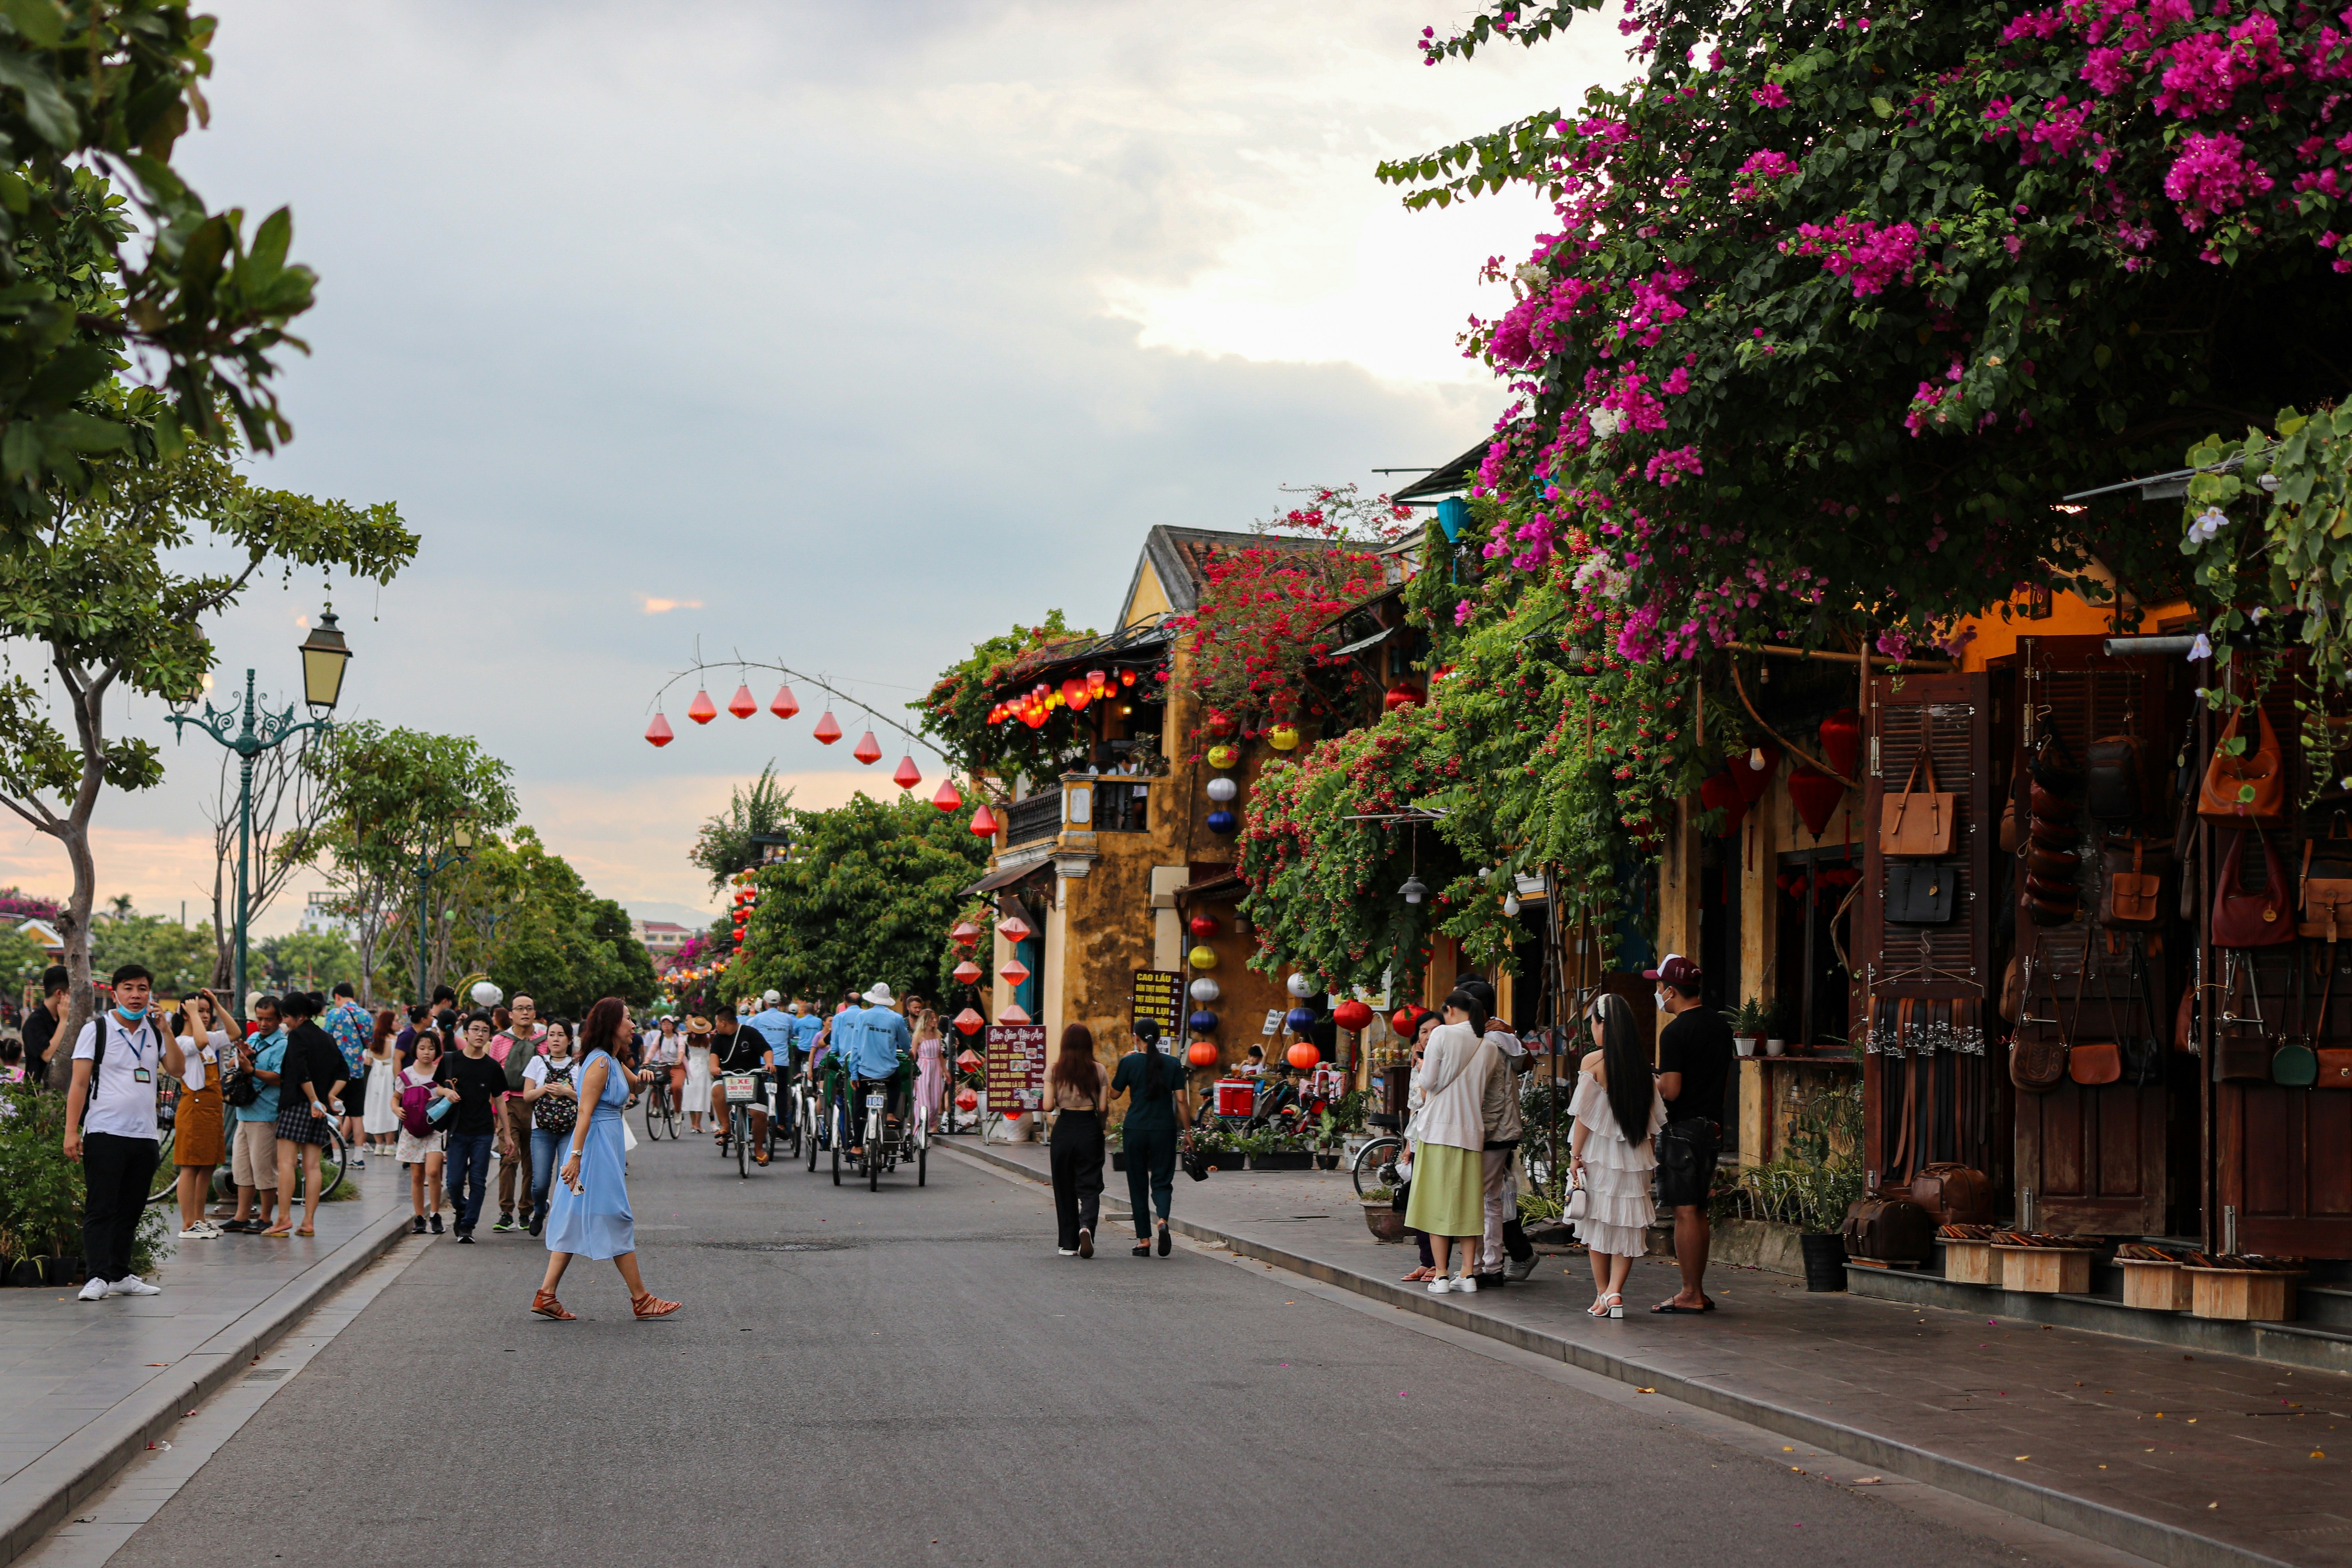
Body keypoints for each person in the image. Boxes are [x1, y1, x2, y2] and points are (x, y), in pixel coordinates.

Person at [534, 997, 680, 1321]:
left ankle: (547, 1295)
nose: (633, 1025)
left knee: (575, 1215)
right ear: (612, 1025)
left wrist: (642, 1082)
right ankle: (641, 1299)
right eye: (628, 1019)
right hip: (596, 1145)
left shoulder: (612, 1060)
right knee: (617, 1215)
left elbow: (633, 1091)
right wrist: (575, 1157)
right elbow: (585, 1110)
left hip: (605, 1142)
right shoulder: (600, 1062)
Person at [63, 963, 181, 1299]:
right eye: (128, 988)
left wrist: (167, 1031)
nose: (136, 995)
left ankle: (121, 1275)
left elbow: (176, 1069)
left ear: (150, 994)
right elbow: (80, 1083)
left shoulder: (154, 1031)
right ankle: (97, 1277)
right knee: (101, 1207)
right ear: (115, 993)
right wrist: (72, 1131)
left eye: (142, 988)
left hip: (144, 1135)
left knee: (131, 1208)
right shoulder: (97, 1030)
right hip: (105, 1131)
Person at [1571, 993, 1666, 1319]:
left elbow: (1582, 1117)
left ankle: (1602, 1293)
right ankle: (1614, 1293)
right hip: (1635, 1155)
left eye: (1593, 1024)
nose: (1592, 1031)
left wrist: (1574, 1156)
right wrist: (1649, 1163)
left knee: (1597, 1222)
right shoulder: (1644, 1067)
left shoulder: (1592, 1063)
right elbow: (1653, 1126)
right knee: (1627, 1224)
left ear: (1604, 1026)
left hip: (1599, 1152)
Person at [1647, 953, 1733, 1314]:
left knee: (1684, 1211)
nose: (1658, 993)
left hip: (1682, 1129)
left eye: (1659, 987)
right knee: (1698, 1210)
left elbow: (1672, 1090)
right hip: (1710, 1125)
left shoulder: (1676, 1032)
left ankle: (1690, 1293)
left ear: (1670, 990)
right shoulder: (1719, 1025)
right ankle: (1695, 1290)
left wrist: (1653, 1080)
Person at [1403, 987, 1499, 1295]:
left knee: (1436, 1204)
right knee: (1468, 1206)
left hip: (1438, 1129)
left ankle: (1441, 1275)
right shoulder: (1489, 1045)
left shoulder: (1443, 1035)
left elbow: (1428, 1083)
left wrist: (1421, 1067)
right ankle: (1468, 1274)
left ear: (1451, 1010)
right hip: (1472, 1131)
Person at [1458, 978, 1539, 1288]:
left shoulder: (1490, 1039)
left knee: (1479, 1197)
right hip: (1499, 1127)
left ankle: (1478, 1267)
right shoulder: (1498, 1035)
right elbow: (1526, 1062)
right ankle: (1489, 1265)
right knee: (1490, 1198)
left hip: (1490, 1128)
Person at [263, 992, 347, 1238]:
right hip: (319, 1110)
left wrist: (314, 1100)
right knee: (312, 1167)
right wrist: (330, 1096)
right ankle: (308, 1222)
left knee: (286, 1163)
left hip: (299, 1104)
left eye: (286, 1017)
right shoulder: (326, 1038)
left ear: (299, 1016)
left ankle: (283, 1219)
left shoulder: (297, 1035)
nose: (284, 1022)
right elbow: (344, 1071)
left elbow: (300, 1071)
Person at [1110, 1018, 1191, 1257]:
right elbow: (1182, 1101)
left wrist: (1124, 1063)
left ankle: (1144, 1240)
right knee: (1162, 1181)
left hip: (1135, 1129)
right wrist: (1188, 1133)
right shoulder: (1173, 1064)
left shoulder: (1129, 1062)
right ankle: (1163, 1220)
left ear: (1136, 1037)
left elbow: (1114, 1095)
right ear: (1158, 1039)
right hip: (1164, 1129)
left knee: (1137, 1184)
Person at [436, 1011, 512, 1242]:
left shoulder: (492, 1067)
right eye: (476, 1030)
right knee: (454, 1182)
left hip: (482, 1131)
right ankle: (462, 1208)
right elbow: (437, 1087)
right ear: (466, 1033)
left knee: (478, 1181)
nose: (480, 1034)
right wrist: (447, 1091)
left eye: (485, 1031)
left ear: (490, 1035)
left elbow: (499, 1099)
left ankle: (468, 1226)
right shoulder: (451, 1060)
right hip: (457, 1130)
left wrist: (506, 1133)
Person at [1042, 1023, 1109, 1258]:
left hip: (1065, 1129)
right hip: (1089, 1129)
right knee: (1090, 1184)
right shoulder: (1099, 1070)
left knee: (1064, 1186)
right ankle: (1086, 1227)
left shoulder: (1054, 1070)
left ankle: (1069, 1243)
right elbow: (1102, 1107)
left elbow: (1048, 1106)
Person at [168, 992, 232, 1241]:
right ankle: (187, 1224)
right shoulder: (183, 1041)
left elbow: (235, 1034)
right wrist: (193, 1014)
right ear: (186, 1014)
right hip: (194, 1108)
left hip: (211, 1109)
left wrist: (217, 1004)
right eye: (200, 1011)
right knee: (190, 1166)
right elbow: (201, 1042)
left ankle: (200, 1219)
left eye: (208, 1012)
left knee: (207, 1166)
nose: (206, 1016)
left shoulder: (208, 1040)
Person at [225, 997, 285, 1234]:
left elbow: (280, 1077)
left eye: (268, 1019)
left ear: (279, 1019)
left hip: (266, 1113)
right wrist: (243, 1056)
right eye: (259, 1019)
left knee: (264, 1169)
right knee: (242, 1168)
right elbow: (233, 1063)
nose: (263, 1024)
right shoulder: (252, 1039)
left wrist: (253, 1070)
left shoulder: (283, 1045)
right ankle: (241, 1216)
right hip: (244, 1112)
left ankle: (266, 1216)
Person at [490, 994, 548, 1234]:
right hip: (508, 1105)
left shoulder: (545, 1040)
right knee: (509, 1157)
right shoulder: (499, 1041)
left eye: (529, 1009)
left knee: (532, 1162)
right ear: (511, 1014)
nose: (525, 1013)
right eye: (520, 1009)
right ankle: (506, 1212)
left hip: (538, 1106)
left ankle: (526, 1211)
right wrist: (495, 1109)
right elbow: (492, 1075)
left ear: (535, 1013)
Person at [522, 1018, 579, 1236]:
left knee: (563, 1180)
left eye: (561, 1035)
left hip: (569, 1129)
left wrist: (567, 1093)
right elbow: (527, 1096)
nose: (556, 1039)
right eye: (552, 1035)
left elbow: (586, 1098)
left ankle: (558, 1222)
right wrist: (546, 1089)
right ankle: (539, 1210)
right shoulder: (537, 1062)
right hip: (541, 1130)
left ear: (569, 1040)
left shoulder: (578, 1065)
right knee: (540, 1182)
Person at [845, 982, 912, 1158]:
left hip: (865, 1071)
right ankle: (890, 1114)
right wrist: (910, 1053)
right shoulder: (896, 1018)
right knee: (895, 1084)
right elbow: (905, 1044)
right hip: (888, 1072)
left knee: (859, 1105)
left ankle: (857, 1146)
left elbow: (856, 1046)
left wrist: (854, 1073)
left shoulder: (862, 1017)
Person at [396, 1033, 449, 1234]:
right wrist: (396, 1109)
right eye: (423, 1048)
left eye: (431, 1048)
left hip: (435, 1129)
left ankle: (435, 1214)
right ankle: (419, 1217)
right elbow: (396, 1098)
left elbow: (444, 1092)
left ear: (437, 1051)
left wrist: (447, 1093)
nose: (427, 1052)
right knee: (417, 1176)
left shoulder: (440, 1074)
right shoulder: (407, 1075)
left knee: (434, 1171)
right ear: (415, 1050)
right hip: (412, 1131)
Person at [705, 1005, 772, 1162]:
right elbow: (714, 1056)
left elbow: (766, 1050)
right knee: (717, 1090)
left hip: (752, 1078)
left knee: (760, 1114)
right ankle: (726, 1127)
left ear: (723, 1023)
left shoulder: (750, 1033)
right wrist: (715, 1068)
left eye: (716, 1023)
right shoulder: (719, 1039)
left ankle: (759, 1149)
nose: (715, 1026)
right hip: (728, 1078)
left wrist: (769, 1064)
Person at [322, 982, 372, 1165]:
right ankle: (359, 1158)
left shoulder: (335, 1014)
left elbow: (325, 1039)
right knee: (357, 1116)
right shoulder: (366, 1015)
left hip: (337, 1073)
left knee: (337, 1114)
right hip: (358, 1071)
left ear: (337, 997)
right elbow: (368, 1041)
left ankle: (337, 1158)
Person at [361, 1009, 402, 1157]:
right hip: (389, 1074)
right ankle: (390, 1145)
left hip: (375, 1075)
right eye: (396, 1021)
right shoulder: (395, 1040)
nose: (399, 1024)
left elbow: (368, 1061)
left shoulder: (374, 1039)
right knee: (388, 1107)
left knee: (374, 1107)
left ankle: (379, 1145)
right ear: (389, 1023)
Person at [22, 964, 64, 1089]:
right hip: (39, 1097)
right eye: (70, 994)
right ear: (60, 994)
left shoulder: (63, 1018)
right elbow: (47, 1056)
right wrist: (64, 1022)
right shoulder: (34, 1023)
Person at [912, 1009, 946, 1126]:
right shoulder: (918, 1036)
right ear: (925, 1020)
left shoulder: (937, 1034)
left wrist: (946, 1071)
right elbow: (913, 1055)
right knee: (923, 1101)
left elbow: (940, 1054)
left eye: (935, 1018)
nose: (935, 1020)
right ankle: (920, 1128)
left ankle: (932, 1124)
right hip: (923, 1067)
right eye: (932, 1018)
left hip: (936, 1067)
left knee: (936, 1102)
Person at [645, 1014, 685, 1114]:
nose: (666, 1026)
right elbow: (653, 1050)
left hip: (677, 1066)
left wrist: (679, 1060)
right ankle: (656, 1107)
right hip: (663, 1065)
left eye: (669, 1024)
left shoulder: (678, 1037)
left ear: (673, 1026)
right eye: (664, 1024)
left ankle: (677, 1111)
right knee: (655, 1083)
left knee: (676, 1087)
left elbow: (681, 1049)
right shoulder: (660, 1037)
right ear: (661, 1026)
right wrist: (647, 1061)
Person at [681, 1015, 714, 1134]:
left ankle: (693, 1124)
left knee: (691, 1093)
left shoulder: (688, 1039)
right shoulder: (709, 1039)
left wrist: (688, 1032)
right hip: (705, 1067)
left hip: (692, 1066)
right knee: (701, 1094)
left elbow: (680, 1035)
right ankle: (698, 1124)